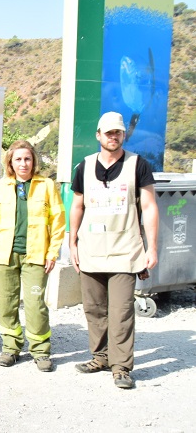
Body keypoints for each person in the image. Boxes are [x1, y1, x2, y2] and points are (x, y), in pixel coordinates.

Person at [69, 111, 158, 389]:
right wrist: (72, 242)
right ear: (98, 135)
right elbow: (77, 205)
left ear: (123, 135)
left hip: (125, 250)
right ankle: (101, 356)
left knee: (121, 311)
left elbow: (149, 206)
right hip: (91, 249)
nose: (113, 136)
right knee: (94, 309)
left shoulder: (138, 164)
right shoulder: (84, 166)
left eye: (118, 132)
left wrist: (152, 247)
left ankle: (121, 367)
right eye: (108, 132)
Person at [0, 140, 65, 372]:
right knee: (6, 304)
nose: (23, 163)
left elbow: (58, 221)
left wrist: (53, 252)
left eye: (27, 158)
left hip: (35, 256)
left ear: (34, 161)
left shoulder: (47, 185)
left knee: (35, 304)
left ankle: (40, 350)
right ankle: (11, 348)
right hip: (4, 256)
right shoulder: (2, 186)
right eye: (18, 159)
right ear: (10, 162)